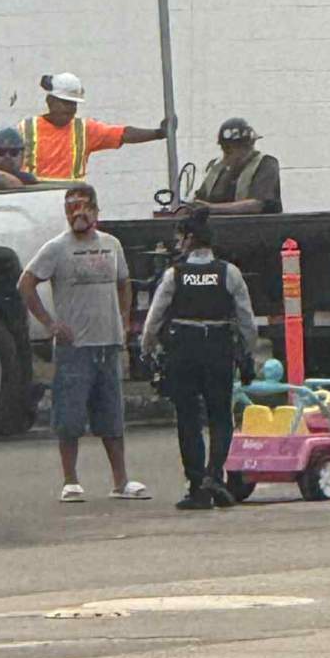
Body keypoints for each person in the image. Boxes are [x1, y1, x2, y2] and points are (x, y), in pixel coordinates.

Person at [18, 182, 150, 503]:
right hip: (74, 346)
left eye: (83, 205)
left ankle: (121, 480)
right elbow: (26, 284)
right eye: (71, 206)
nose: (78, 211)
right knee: (69, 415)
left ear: (95, 210)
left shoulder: (112, 245)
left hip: (108, 343)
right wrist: (50, 324)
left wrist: (122, 320)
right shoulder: (56, 248)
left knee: (112, 415)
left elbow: (124, 283)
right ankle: (71, 480)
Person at [141, 205, 260, 510]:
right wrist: (248, 352)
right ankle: (214, 475)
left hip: (183, 349)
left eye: (180, 238)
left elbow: (154, 318)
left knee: (188, 418)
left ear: (190, 239)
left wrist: (146, 348)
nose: (177, 244)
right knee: (220, 414)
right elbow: (246, 319)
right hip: (218, 347)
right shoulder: (228, 272)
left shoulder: (174, 274)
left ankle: (196, 487)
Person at [19, 73, 168, 180]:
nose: (70, 109)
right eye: (65, 102)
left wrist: (159, 133)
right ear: (50, 101)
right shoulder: (26, 129)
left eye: (74, 104)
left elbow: (123, 134)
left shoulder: (83, 130)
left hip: (71, 202)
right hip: (36, 199)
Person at [192, 118, 283, 215]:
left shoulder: (266, 164)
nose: (227, 156)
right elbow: (200, 201)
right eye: (225, 149)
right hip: (217, 228)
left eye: (244, 146)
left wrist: (211, 208)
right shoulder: (217, 170)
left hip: (257, 228)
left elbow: (257, 204)